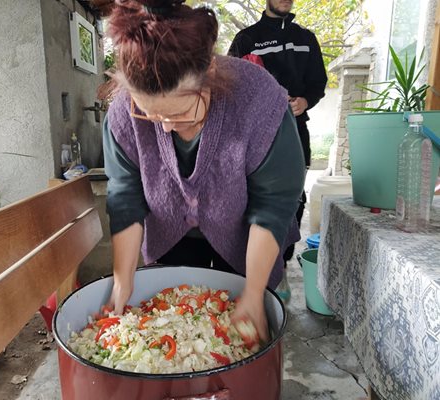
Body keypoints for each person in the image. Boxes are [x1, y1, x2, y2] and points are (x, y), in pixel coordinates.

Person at [101, 0, 305, 341]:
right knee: (176, 324)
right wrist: (123, 281)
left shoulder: (259, 100)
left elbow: (272, 205)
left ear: (209, 72)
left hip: (247, 235)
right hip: (170, 233)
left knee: (243, 317)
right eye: (151, 116)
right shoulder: (124, 112)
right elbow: (125, 196)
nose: (165, 130)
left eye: (181, 114)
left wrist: (254, 295)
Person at [228, 0, 328, 300]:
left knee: (293, 200)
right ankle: (250, 269)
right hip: (256, 135)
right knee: (252, 199)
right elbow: (231, 85)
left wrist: (305, 101)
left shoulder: (306, 39)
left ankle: (279, 267)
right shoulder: (247, 38)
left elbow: (318, 82)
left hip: (295, 131)